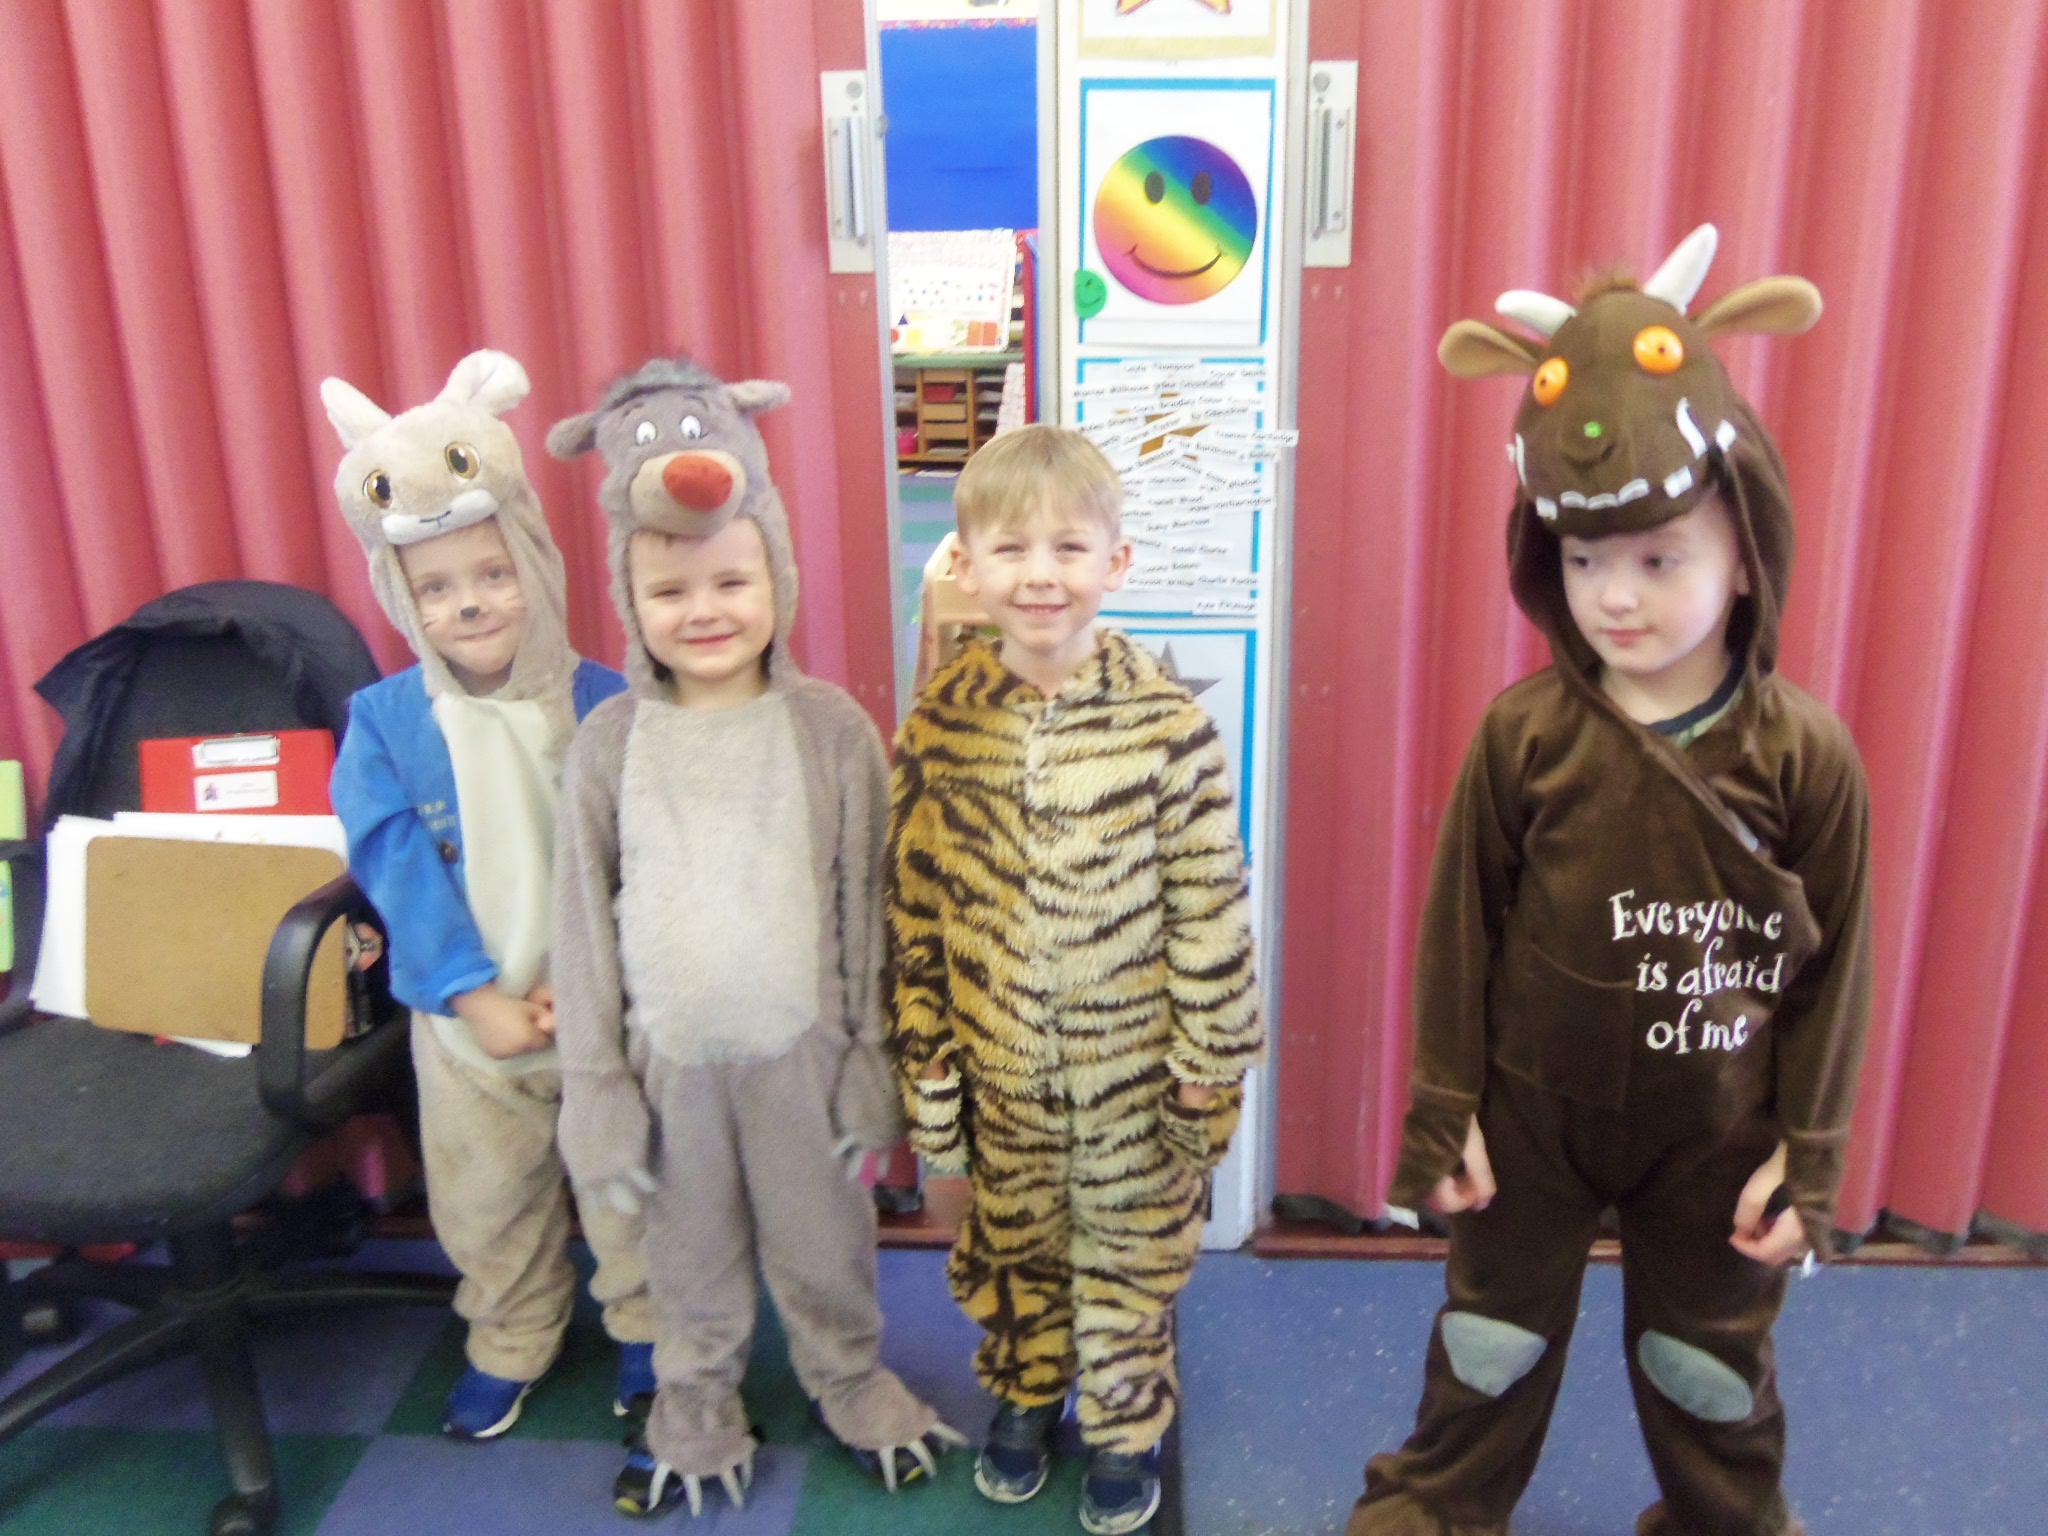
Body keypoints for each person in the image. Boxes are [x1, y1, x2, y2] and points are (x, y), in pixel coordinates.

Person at [1351, 226, 1873, 1536]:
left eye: (1657, 560)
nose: (1613, 599)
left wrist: (1805, 1156)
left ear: (1745, 551)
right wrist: (1446, 1112)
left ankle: (1723, 1523)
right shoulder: (1522, 737)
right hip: (1530, 1112)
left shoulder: (1803, 757)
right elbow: (1459, 935)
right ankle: (1436, 1509)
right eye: (1583, 562)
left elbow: (1837, 973)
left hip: (1717, 1128)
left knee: (1708, 1365)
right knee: (1489, 1339)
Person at [546, 357, 957, 1519]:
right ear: (630, 600)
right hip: (668, 1068)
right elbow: (581, 929)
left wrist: (869, 1058)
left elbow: (871, 907)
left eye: (732, 579)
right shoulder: (607, 744)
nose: (705, 610)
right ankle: (694, 1403)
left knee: (823, 1242)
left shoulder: (832, 732)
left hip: (802, 1058)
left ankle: (848, 1378)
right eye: (669, 591)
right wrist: (596, 1086)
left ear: (774, 571)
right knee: (685, 1257)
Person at [885, 424, 1263, 1535]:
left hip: (1133, 1077)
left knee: (1130, 1254)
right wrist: (931, 1071)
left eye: (1067, 547)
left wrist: (1207, 1064)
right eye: (1009, 550)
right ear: (966, 566)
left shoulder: (1168, 729)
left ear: (1116, 561)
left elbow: (1208, 904)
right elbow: (915, 911)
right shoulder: (937, 731)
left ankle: (1124, 1415)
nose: (1039, 575)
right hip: (1000, 1071)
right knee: (1012, 1241)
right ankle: (1028, 1383)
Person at [321, 351, 655, 1451]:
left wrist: (591, 981)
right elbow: (394, 868)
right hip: (470, 1025)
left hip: (600, 1011)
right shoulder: (384, 724)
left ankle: (649, 1329)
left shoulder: (608, 703)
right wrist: (474, 997)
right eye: (436, 588)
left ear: (536, 566)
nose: (468, 603)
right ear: (400, 596)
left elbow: (640, 859)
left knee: (629, 1183)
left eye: (493, 574)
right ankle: (511, 1334)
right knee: (486, 1198)